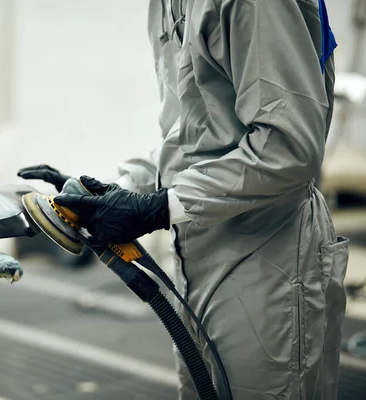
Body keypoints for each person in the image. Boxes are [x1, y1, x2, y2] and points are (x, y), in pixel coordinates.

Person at [18, 0, 349, 399]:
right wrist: (114, 190)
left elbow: (288, 146)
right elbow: (193, 140)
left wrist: (156, 208)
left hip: (268, 259)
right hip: (197, 251)